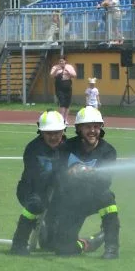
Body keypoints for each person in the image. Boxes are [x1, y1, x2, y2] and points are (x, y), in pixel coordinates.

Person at [46, 107, 120, 259]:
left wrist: (89, 174)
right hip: (71, 202)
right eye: (88, 127)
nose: (92, 131)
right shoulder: (66, 147)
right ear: (79, 128)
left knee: (108, 198)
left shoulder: (108, 151)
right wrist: (69, 172)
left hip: (94, 198)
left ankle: (112, 247)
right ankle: (89, 243)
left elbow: (105, 181)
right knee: (63, 249)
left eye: (96, 126)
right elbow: (56, 173)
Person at [9, 111, 75, 255]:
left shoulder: (69, 148)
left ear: (63, 131)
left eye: (57, 133)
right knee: (35, 204)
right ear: (41, 132)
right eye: (48, 133)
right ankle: (18, 244)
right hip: (31, 190)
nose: (53, 137)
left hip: (56, 193)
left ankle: (49, 235)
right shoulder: (33, 149)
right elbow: (35, 177)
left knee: (49, 244)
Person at [49, 56, 77, 123]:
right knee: (62, 102)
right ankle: (61, 119)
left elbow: (74, 75)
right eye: (60, 61)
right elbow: (51, 75)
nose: (61, 62)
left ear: (65, 61)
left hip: (67, 85)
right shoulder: (55, 67)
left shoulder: (69, 67)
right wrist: (56, 70)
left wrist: (68, 71)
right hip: (59, 86)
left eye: (62, 61)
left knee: (67, 103)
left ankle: (65, 119)